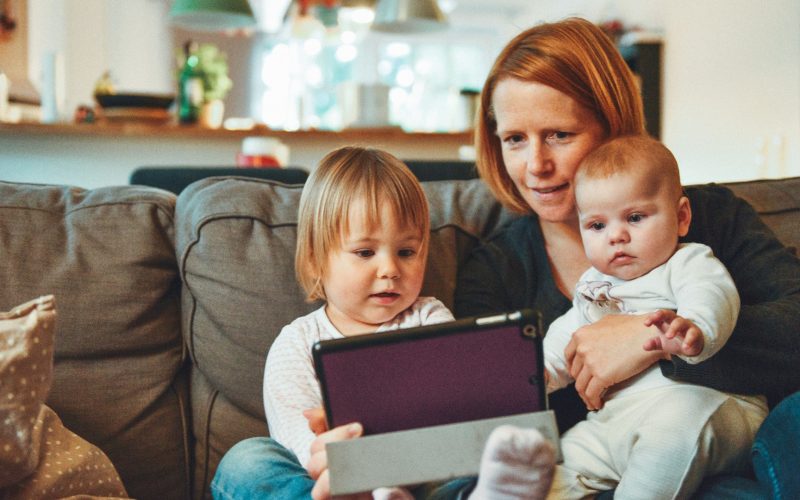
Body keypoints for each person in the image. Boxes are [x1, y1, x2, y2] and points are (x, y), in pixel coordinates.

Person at [217, 17, 800, 500]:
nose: (535, 166)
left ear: (613, 126)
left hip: (705, 460)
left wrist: (647, 343)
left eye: (559, 135)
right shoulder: (495, 267)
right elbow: (490, 428)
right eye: (514, 138)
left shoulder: (706, 218)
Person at [213, 146, 458, 499]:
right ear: (315, 261)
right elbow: (299, 439)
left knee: (473, 468)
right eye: (364, 252)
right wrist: (344, 469)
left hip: (418, 474)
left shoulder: (429, 319)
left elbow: (453, 410)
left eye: (406, 252)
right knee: (247, 460)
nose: (390, 269)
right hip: (326, 480)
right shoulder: (297, 342)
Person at [535, 134, 767, 498]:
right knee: (552, 465)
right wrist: (539, 373)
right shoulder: (593, 285)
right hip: (616, 421)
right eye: (597, 225)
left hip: (706, 405)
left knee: (672, 432)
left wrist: (694, 328)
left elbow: (713, 294)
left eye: (635, 217)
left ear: (681, 217)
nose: (617, 236)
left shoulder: (687, 261)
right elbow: (569, 334)